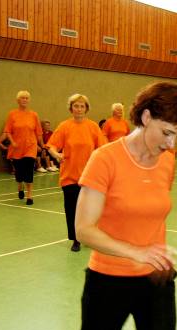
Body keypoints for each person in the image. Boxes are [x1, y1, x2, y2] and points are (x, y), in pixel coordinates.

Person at [62, 82, 177, 330]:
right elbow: (84, 229)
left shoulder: (165, 163)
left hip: (156, 280)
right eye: (166, 133)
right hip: (108, 280)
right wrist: (135, 251)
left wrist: (152, 256)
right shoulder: (105, 160)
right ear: (146, 116)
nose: (171, 144)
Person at [47, 94, 106, 252]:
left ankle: (89, 236)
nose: (79, 109)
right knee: (72, 209)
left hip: (89, 177)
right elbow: (51, 145)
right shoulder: (65, 126)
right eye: (76, 106)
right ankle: (75, 239)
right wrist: (56, 154)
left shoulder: (93, 126)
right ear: (71, 108)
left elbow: (102, 148)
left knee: (90, 210)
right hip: (69, 176)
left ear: (86, 108)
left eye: (82, 106)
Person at [3, 90, 43, 205]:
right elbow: (7, 131)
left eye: (26, 98)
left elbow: (39, 132)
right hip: (16, 147)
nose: (25, 100)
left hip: (30, 146)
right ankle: (20, 186)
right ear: (18, 100)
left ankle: (30, 196)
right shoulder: (12, 114)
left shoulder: (34, 115)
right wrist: (12, 142)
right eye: (22, 98)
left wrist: (42, 145)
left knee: (29, 170)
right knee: (19, 173)